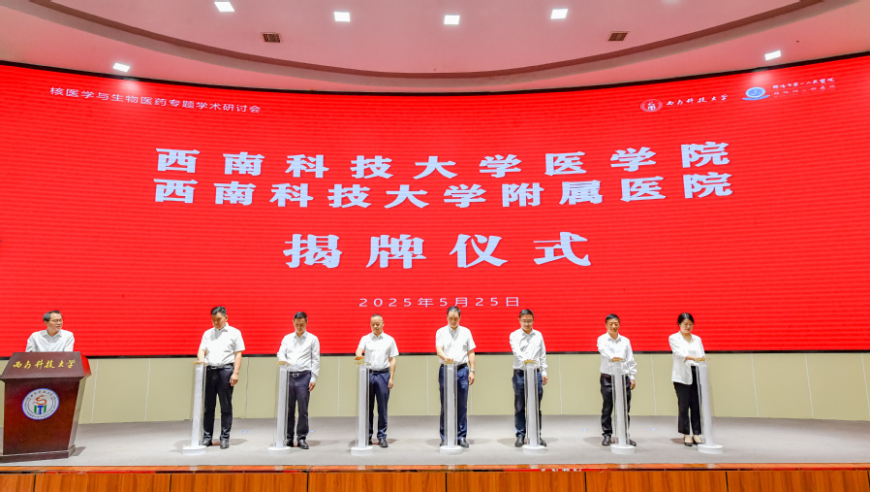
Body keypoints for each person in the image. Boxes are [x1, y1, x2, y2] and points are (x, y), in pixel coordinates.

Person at [197, 306, 245, 449]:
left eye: (218, 319)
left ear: (226, 318)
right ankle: (207, 437)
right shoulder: (207, 333)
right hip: (210, 371)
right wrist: (201, 359)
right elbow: (201, 350)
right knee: (208, 407)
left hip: (226, 370)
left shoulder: (235, 333)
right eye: (213, 320)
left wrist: (235, 372)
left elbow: (238, 354)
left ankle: (224, 438)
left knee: (225, 406)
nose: (216, 322)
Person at [277, 311, 320, 450]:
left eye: (301, 324)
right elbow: (280, 352)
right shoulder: (287, 338)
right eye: (297, 324)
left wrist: (313, 377)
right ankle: (288, 438)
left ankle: (301, 438)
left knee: (303, 410)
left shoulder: (313, 339)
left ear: (306, 323)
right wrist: (282, 359)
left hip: (304, 376)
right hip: (289, 376)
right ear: (293, 323)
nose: (299, 326)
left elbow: (316, 360)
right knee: (288, 410)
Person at [355, 314, 399, 448]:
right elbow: (359, 350)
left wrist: (391, 377)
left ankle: (382, 436)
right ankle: (367, 436)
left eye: (378, 324)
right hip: (368, 374)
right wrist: (359, 356)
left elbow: (392, 359)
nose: (375, 326)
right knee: (367, 407)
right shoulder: (365, 338)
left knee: (382, 407)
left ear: (383, 324)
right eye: (373, 324)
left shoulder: (389, 340)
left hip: (383, 375)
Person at [435, 305, 476, 448]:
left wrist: (472, 370)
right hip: (446, 370)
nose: (453, 321)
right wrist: (447, 358)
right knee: (445, 404)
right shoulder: (441, 332)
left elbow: (471, 352)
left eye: (455, 318)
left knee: (462, 405)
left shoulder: (466, 332)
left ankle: (461, 436)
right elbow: (439, 349)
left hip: (462, 370)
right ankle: (445, 436)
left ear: (460, 317)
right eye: (450, 318)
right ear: (447, 317)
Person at [509, 308, 548, 447]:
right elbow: (517, 352)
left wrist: (544, 372)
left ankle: (536, 435)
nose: (527, 323)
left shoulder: (538, 335)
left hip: (536, 373)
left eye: (529, 321)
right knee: (520, 406)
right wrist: (528, 361)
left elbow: (542, 354)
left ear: (533, 320)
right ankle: (520, 435)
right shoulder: (514, 335)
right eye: (524, 321)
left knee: (536, 406)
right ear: (519, 320)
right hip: (520, 373)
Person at [597, 313, 637, 446]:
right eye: (611, 324)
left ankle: (624, 435)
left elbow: (630, 359)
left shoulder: (625, 341)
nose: (614, 326)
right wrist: (614, 358)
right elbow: (603, 350)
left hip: (623, 377)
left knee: (625, 408)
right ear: (606, 325)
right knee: (607, 407)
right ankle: (607, 434)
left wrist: (632, 376)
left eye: (616, 324)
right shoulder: (602, 339)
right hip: (607, 377)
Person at [669, 312, 707, 447]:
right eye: (685, 324)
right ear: (679, 324)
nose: (688, 326)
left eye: (690, 324)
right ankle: (686, 433)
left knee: (696, 405)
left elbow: (702, 354)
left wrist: (700, 360)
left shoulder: (697, 339)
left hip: (697, 372)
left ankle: (696, 433)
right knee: (684, 405)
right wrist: (695, 358)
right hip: (681, 375)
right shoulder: (674, 338)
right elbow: (679, 354)